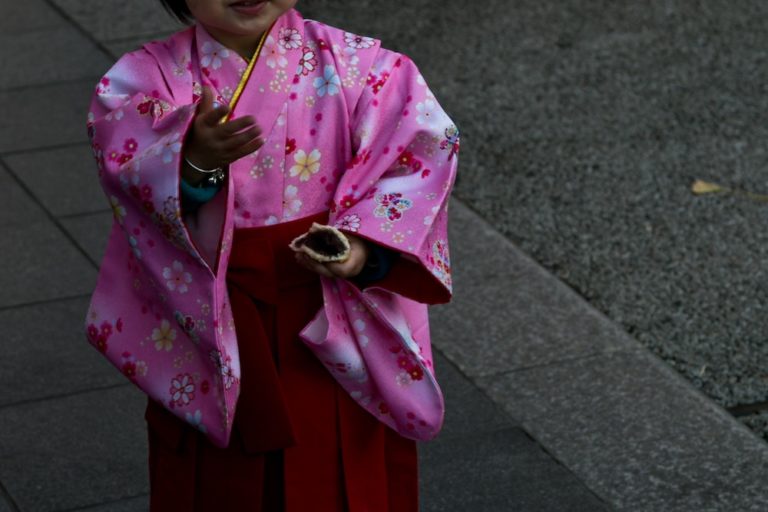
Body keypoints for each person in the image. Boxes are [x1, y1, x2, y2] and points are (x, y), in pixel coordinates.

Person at [85, 0, 459, 509]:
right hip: (216, 319)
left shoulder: (361, 67)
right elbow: (127, 168)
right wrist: (190, 159)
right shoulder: (144, 82)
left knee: (339, 461)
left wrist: (363, 247)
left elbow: (419, 153)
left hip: (329, 311)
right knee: (220, 485)